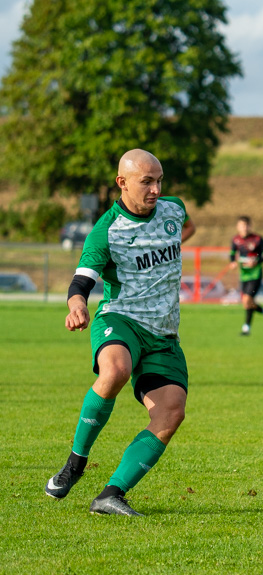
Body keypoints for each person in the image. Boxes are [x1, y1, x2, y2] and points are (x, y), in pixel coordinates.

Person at [45, 149, 196, 516]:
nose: (156, 189)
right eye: (147, 181)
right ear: (122, 182)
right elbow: (82, 280)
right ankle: (75, 463)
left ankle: (111, 495)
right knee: (115, 371)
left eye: (159, 180)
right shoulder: (106, 230)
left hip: (164, 335)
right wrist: (76, 305)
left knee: (172, 412)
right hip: (122, 319)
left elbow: (186, 227)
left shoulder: (174, 209)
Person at [229, 216, 263, 336]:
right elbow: (232, 253)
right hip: (244, 275)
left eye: (246, 225)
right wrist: (232, 262)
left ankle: (246, 328)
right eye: (242, 225)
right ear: (237, 227)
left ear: (250, 226)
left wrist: (257, 261)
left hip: (255, 274)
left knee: (247, 299)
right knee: (246, 302)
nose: (244, 228)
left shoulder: (257, 239)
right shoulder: (236, 240)